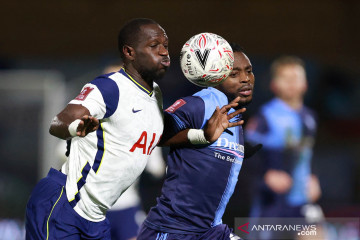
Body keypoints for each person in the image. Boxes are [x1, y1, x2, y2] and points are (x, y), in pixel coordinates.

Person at [25, 18, 170, 240]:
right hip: (66, 205)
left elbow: (158, 147)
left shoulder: (155, 96)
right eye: (154, 46)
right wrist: (76, 127)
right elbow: (58, 123)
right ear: (129, 53)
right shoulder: (110, 86)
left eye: (166, 45)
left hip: (98, 216)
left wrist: (201, 137)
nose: (163, 52)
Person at [137, 43, 255, 240]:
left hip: (211, 230)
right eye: (234, 74)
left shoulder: (234, 117)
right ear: (216, 77)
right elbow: (154, 133)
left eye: (249, 71)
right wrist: (201, 136)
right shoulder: (200, 103)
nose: (246, 79)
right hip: (173, 230)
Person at [245, 56, 321, 238]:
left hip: (301, 200)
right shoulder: (265, 117)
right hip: (272, 202)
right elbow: (244, 154)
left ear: (305, 84)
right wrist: (266, 175)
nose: (291, 83)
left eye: (296, 78)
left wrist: (313, 177)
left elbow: (306, 154)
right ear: (274, 85)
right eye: (285, 78)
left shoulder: (310, 118)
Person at [103, 62, 166, 240]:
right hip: (111, 208)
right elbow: (157, 169)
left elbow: (62, 152)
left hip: (111, 207)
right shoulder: (144, 124)